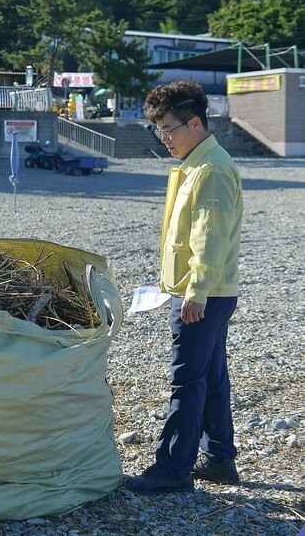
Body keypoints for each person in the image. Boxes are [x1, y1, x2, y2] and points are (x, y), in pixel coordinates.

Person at [125, 81, 243, 494]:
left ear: (195, 123)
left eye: (169, 129)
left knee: (187, 380)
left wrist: (195, 291)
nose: (164, 138)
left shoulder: (209, 169)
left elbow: (211, 236)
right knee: (210, 377)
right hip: (211, 290)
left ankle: (173, 470)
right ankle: (219, 459)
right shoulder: (201, 162)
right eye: (159, 129)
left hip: (202, 293)